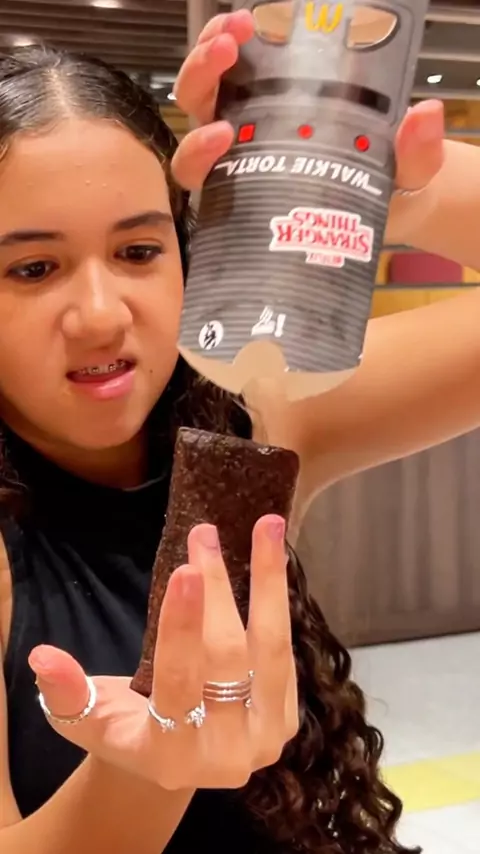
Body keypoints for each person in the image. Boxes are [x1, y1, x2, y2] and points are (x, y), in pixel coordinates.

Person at [0, 8, 479, 854]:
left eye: (139, 252)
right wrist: (150, 768)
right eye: (33, 268)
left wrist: (400, 187)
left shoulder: (263, 409)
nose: (102, 315)